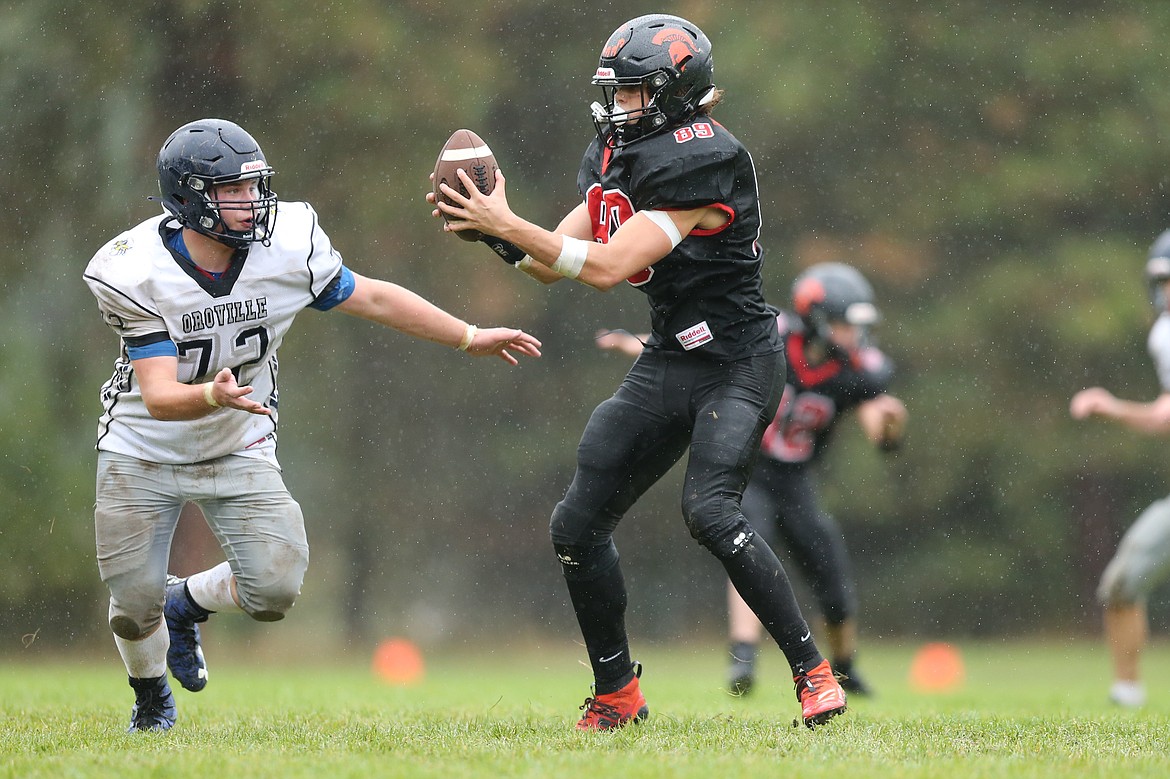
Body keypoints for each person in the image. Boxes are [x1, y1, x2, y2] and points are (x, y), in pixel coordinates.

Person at [429, 14, 847, 730]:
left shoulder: (703, 157)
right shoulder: (617, 154)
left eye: (632, 94)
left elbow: (607, 268)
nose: (617, 108)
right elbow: (548, 261)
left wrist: (504, 223)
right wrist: (492, 232)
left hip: (738, 359)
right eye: (614, 93)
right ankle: (617, 689)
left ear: (678, 93)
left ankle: (813, 670)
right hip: (671, 355)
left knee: (711, 510)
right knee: (576, 525)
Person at [84, 118, 542, 733]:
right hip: (142, 443)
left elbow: (372, 296)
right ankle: (150, 699)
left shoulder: (288, 242)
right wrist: (213, 394)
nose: (253, 202)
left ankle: (184, 601)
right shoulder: (131, 269)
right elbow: (162, 397)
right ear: (191, 197)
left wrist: (467, 335)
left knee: (275, 587)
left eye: (255, 186)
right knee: (130, 606)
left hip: (237, 440)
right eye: (232, 191)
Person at [597, 262, 907, 699]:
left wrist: (891, 423)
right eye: (841, 323)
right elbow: (702, 344)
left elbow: (880, 424)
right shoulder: (772, 335)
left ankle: (846, 666)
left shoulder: (856, 369)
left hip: (797, 479)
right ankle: (743, 655)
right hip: (752, 468)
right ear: (816, 317)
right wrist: (645, 348)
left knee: (830, 569)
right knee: (747, 543)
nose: (851, 335)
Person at [1070, 230, 1170, 708]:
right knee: (1122, 582)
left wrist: (1112, 407)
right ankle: (1127, 690)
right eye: (1164, 281)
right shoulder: (1165, 334)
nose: (1167, 292)